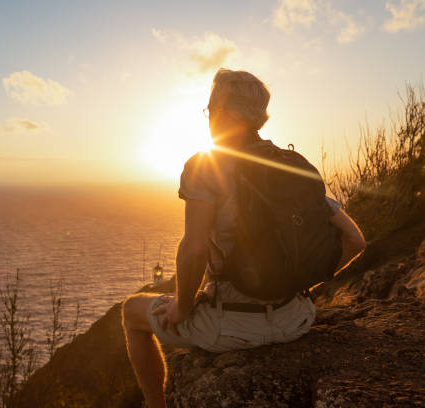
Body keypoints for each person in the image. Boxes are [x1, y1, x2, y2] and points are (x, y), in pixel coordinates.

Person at [121, 68, 366, 408]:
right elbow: (355, 241)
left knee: (131, 310)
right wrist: (297, 285)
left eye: (210, 108)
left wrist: (183, 307)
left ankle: (157, 406)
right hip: (297, 318)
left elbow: (193, 250)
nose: (208, 116)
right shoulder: (292, 165)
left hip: (232, 326)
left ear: (223, 111)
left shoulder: (206, 164)